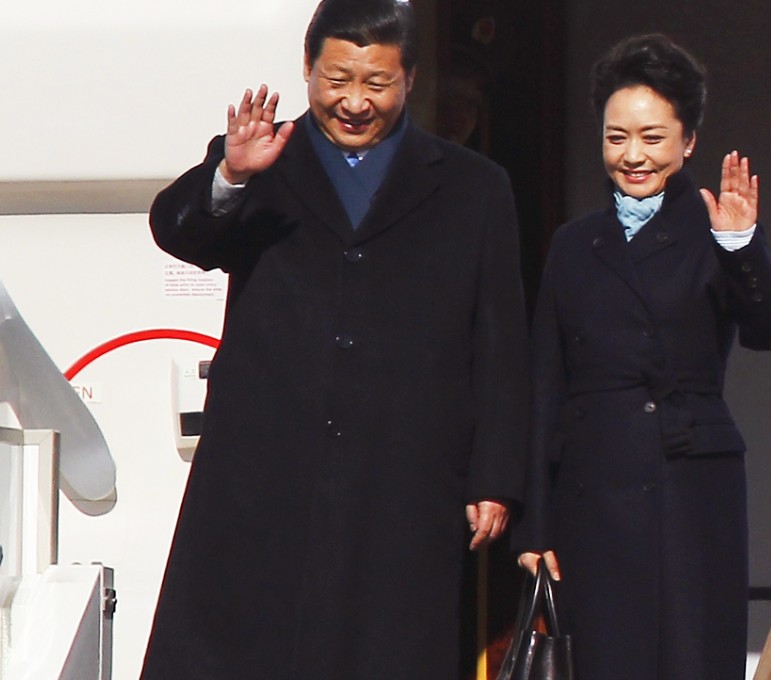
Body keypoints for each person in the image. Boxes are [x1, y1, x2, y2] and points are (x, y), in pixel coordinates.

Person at [141, 1, 529, 677]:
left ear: (409, 79)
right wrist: (230, 176)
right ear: (307, 69)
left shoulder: (474, 189)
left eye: (375, 84)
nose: (353, 102)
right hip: (265, 471)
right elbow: (180, 233)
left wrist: (495, 472)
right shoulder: (265, 159)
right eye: (336, 80)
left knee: (387, 648)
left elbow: (499, 343)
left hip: (402, 477)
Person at [515, 34, 771, 679]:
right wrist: (535, 523)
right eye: (617, 138)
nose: (633, 156)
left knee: (689, 658)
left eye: (652, 137)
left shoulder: (717, 228)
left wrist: (742, 246)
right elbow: (543, 385)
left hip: (690, 486)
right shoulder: (573, 243)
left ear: (687, 140)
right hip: (593, 492)